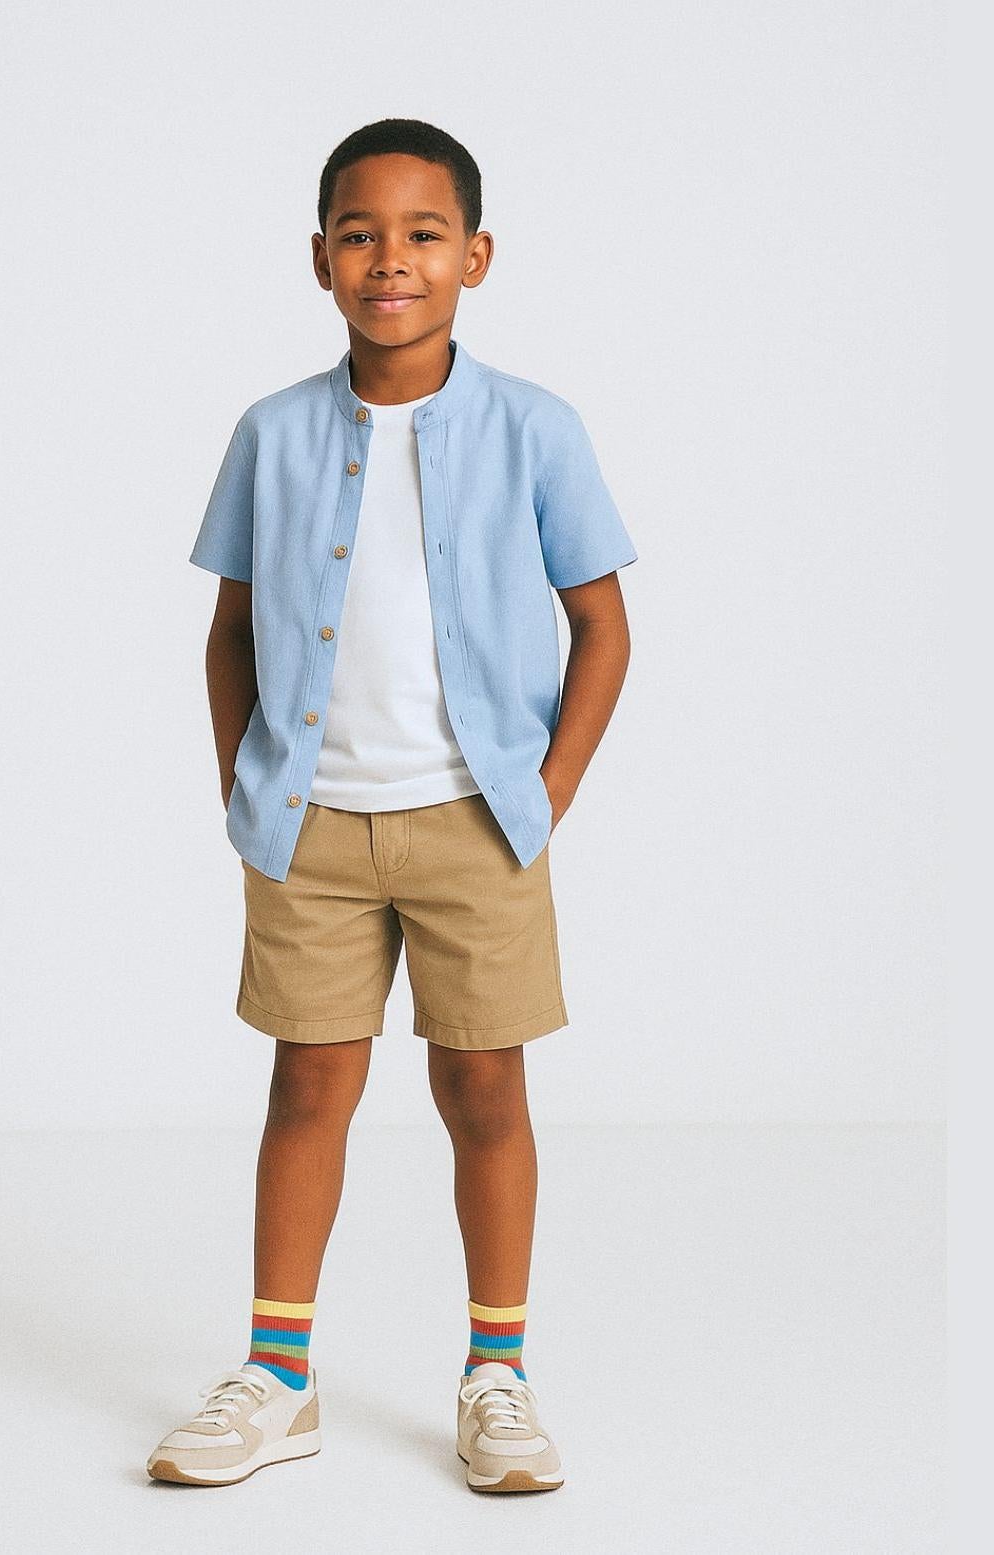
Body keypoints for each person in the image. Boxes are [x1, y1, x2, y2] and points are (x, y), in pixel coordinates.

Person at [147, 118, 637, 1493]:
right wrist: (250, 788)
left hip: (479, 821)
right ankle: (279, 1376)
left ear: (475, 255)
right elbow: (231, 630)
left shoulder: (537, 429)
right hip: (310, 827)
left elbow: (602, 626)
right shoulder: (274, 432)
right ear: (320, 258)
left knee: (484, 1086)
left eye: (424, 234)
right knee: (310, 1081)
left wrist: (542, 798)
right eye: (360, 234)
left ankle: (498, 1372)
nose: (391, 259)